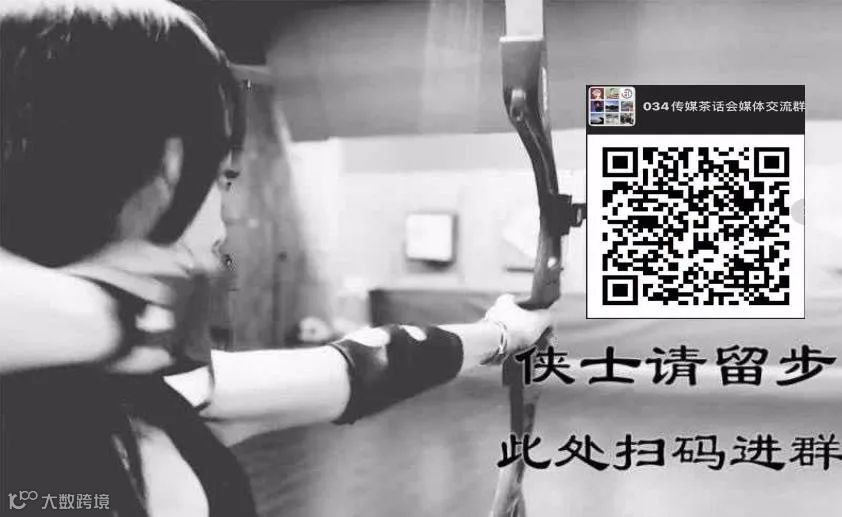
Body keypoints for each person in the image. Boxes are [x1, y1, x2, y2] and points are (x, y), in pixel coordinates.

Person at [0, 1, 554, 515]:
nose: (222, 226)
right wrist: (129, 316)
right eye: (220, 178)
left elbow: (372, 365)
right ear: (158, 170)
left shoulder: (155, 398)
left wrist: (501, 333)